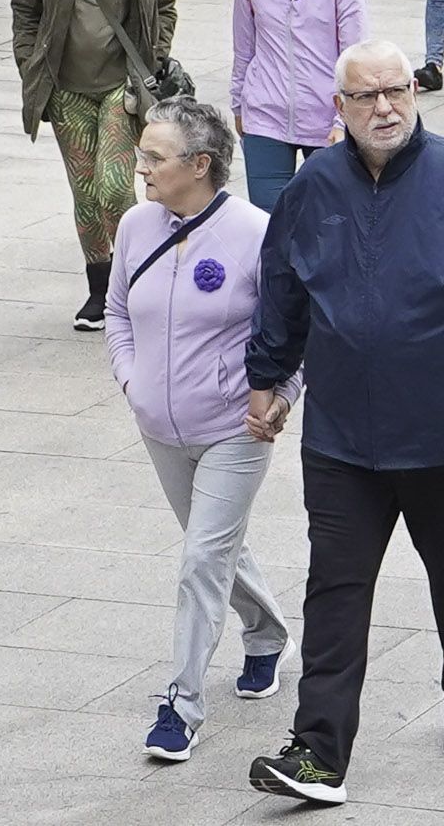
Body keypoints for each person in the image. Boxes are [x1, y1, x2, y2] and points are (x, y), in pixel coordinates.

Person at [245, 40, 444, 806]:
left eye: (397, 89)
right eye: (366, 96)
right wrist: (266, 378)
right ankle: (319, 751)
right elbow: (282, 291)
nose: (385, 106)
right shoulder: (311, 188)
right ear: (338, 108)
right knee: (335, 591)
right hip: (343, 438)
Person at [107, 97, 293, 762]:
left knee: (201, 558)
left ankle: (181, 705)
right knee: (213, 543)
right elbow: (117, 313)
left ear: (200, 164)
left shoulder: (257, 232)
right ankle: (268, 630)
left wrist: (280, 398)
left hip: (233, 429)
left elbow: (289, 328)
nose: (142, 166)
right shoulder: (136, 225)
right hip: (159, 426)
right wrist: (132, 383)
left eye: (155, 156)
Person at [10, 0, 179, 332]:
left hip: (120, 87)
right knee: (85, 196)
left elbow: (164, 5)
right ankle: (99, 290)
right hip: (66, 90)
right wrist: (30, 65)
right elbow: (25, 9)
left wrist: (152, 61)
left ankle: (138, 282)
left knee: (112, 188)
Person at [230, 0, 368, 211]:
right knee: (270, 222)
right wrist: (239, 103)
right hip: (265, 114)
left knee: (327, 219)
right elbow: (243, 45)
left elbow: (355, 55)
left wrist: (343, 122)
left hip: (326, 118)